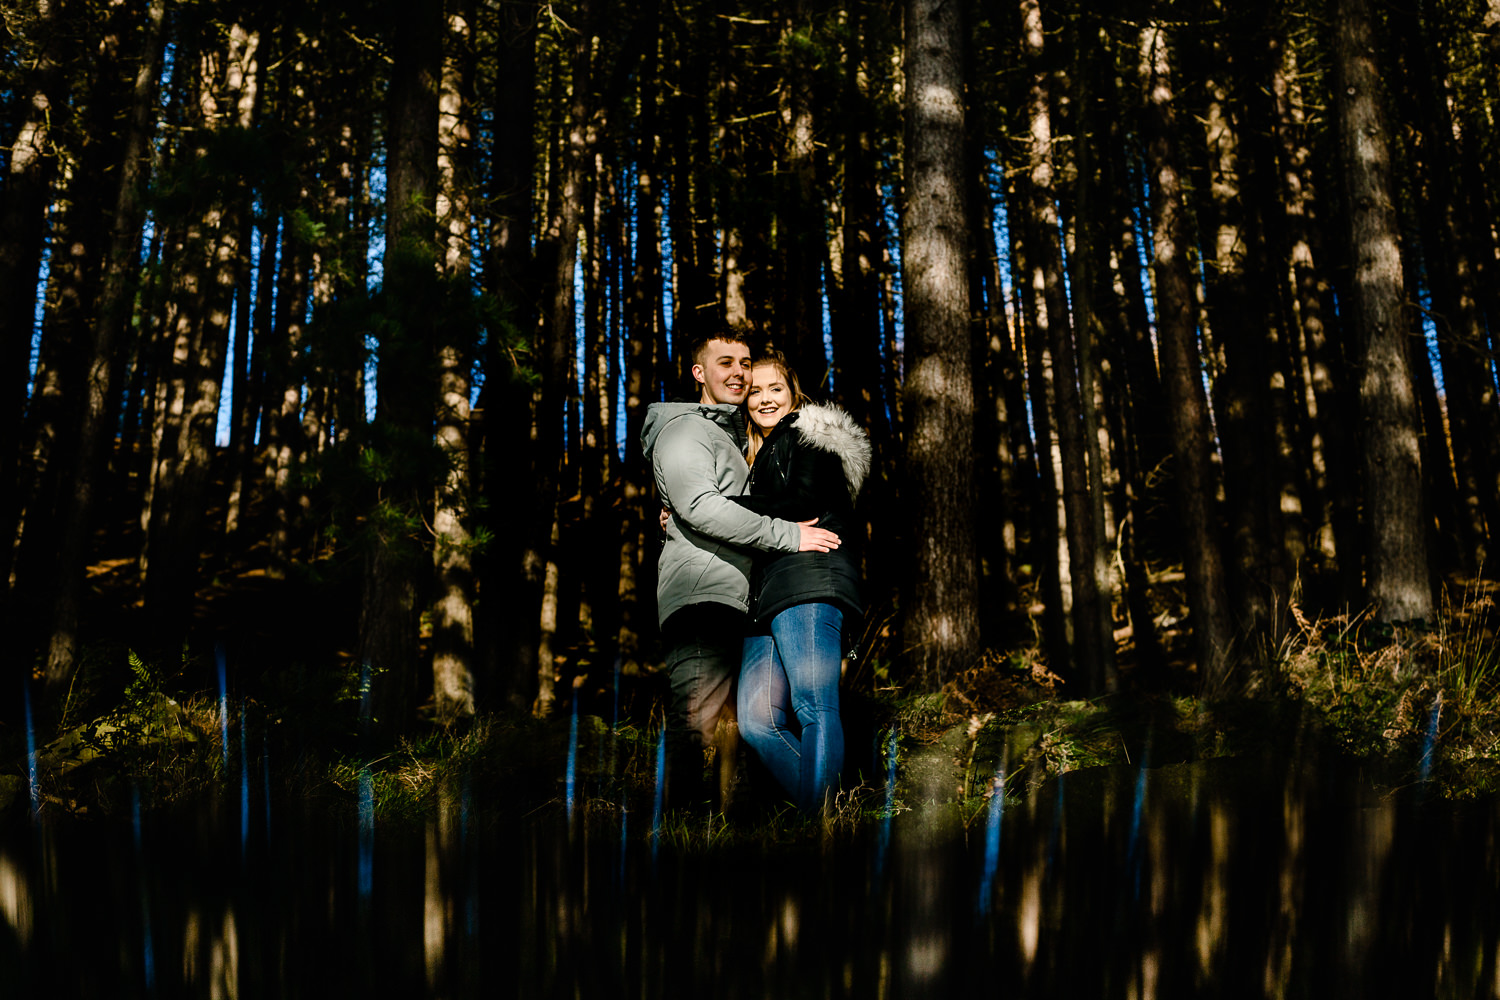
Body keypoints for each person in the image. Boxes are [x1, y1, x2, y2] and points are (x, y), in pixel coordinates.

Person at [640, 332, 840, 808]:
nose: (738, 373)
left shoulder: (734, 439)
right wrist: (789, 534)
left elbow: (709, 502)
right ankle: (676, 845)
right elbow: (702, 506)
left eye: (744, 363)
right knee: (695, 722)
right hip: (701, 597)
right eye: (724, 362)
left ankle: (766, 830)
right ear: (699, 372)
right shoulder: (686, 429)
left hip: (738, 600)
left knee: (740, 727)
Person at [731, 351, 871, 814]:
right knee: (756, 722)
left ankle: (822, 834)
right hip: (766, 595)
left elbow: (803, 501)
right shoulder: (757, 455)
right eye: (755, 390)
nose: (766, 398)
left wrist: (710, 505)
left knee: (814, 707)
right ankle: (827, 816)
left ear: (794, 394)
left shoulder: (811, 433)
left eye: (776, 389)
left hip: (812, 580)